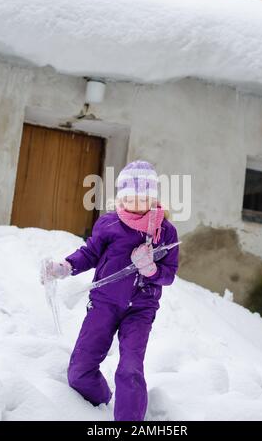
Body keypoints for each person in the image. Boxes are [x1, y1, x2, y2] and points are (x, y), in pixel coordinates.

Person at [44, 160, 179, 421]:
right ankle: (102, 400)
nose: (133, 202)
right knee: (80, 371)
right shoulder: (109, 223)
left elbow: (169, 275)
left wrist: (151, 270)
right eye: (127, 196)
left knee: (130, 370)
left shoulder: (166, 232)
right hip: (103, 304)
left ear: (152, 198)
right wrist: (66, 266)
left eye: (140, 197)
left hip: (140, 310)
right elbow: (90, 253)